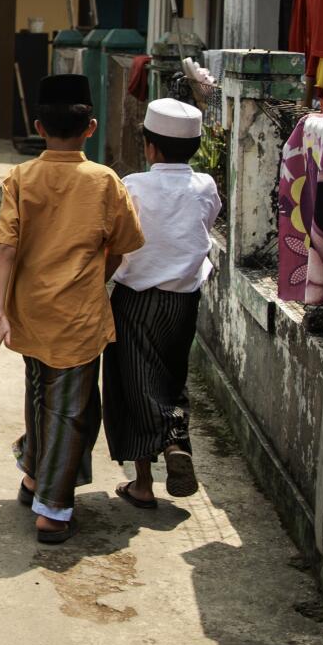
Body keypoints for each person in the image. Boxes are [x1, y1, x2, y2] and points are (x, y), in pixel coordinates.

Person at [0, 73, 145, 543]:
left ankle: (35, 474)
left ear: (38, 126)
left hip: (29, 310)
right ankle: (52, 510)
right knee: (72, 410)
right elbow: (121, 246)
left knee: (39, 394)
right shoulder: (104, 181)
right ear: (90, 128)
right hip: (78, 313)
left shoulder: (21, 177)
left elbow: (6, 248)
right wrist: (96, 277)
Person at [104, 97, 218, 508]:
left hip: (137, 299)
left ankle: (145, 479)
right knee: (170, 377)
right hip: (185, 301)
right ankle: (175, 442)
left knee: (130, 385)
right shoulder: (205, 185)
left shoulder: (133, 185)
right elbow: (205, 224)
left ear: (150, 147)